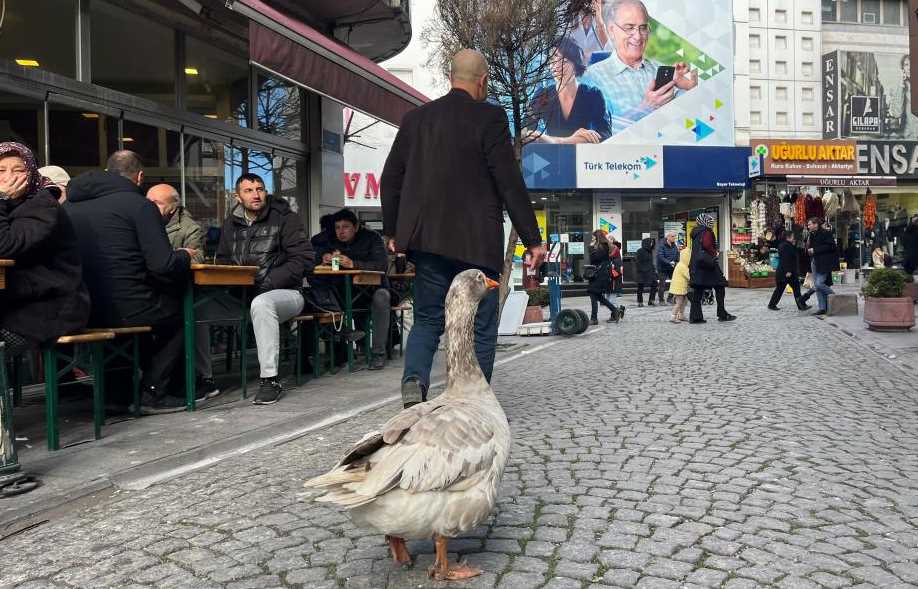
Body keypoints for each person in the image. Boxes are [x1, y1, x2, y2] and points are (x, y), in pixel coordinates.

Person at [380, 48, 545, 408]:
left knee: (427, 319)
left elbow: (390, 178)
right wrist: (532, 239)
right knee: (481, 326)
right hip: (477, 244)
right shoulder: (491, 118)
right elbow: (508, 180)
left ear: (450, 76)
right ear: (483, 79)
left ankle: (414, 381)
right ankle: (474, 403)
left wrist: (392, 232)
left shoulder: (416, 119)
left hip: (428, 242)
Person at [66, 151, 193, 411]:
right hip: (127, 307)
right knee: (179, 314)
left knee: (134, 317)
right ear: (140, 176)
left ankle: (116, 394)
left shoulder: (69, 206)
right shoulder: (139, 205)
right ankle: (153, 392)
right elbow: (162, 264)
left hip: (79, 308)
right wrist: (183, 255)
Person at [215, 173, 313, 405]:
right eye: (248, 190)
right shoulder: (230, 224)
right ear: (237, 196)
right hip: (241, 294)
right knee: (199, 309)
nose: (256, 194)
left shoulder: (285, 218)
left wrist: (267, 283)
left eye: (260, 189)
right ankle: (202, 378)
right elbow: (222, 259)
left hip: (286, 294)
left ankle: (270, 380)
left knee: (262, 304)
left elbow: (303, 260)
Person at [0, 142, 90, 356]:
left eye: (18, 170)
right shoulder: (8, 206)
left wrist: (1, 199)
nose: (8, 177)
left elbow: (5, 245)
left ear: (31, 173)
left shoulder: (42, 205)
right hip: (18, 303)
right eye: (1, 170)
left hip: (49, 309)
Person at [582, 0, 698, 122]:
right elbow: (597, 134)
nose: (638, 36)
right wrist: (645, 108)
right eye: (629, 28)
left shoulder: (661, 69)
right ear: (611, 30)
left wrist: (690, 86)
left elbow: (690, 117)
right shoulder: (591, 78)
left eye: (643, 28)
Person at [314, 208, 391, 370]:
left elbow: (382, 265)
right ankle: (339, 349)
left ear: (356, 227)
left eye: (345, 227)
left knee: (382, 297)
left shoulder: (372, 238)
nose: (341, 232)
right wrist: (324, 258)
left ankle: (378, 353)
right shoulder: (332, 241)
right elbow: (315, 254)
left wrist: (353, 264)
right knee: (316, 296)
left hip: (371, 290)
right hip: (343, 290)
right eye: (337, 227)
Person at [528, 39, 612, 145]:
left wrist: (553, 140)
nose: (556, 67)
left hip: (584, 157)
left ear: (576, 64)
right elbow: (524, 132)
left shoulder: (593, 95)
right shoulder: (542, 95)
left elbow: (605, 135)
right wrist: (566, 140)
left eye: (564, 61)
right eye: (552, 61)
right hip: (551, 158)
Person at [688, 213, 735, 323]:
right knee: (720, 286)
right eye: (710, 221)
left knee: (698, 290)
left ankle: (695, 317)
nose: (712, 223)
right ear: (706, 222)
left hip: (697, 265)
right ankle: (722, 313)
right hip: (708, 265)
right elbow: (707, 245)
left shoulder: (695, 233)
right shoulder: (706, 231)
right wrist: (715, 253)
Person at [147, 184, 204, 263]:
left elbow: (197, 259)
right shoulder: (139, 221)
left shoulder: (190, 229)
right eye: (147, 202)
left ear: (172, 208)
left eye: (158, 203)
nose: (150, 206)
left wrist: (180, 256)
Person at [767, 231, 811, 311]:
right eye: (793, 236)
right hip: (787, 272)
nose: (794, 238)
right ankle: (801, 305)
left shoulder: (786, 245)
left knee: (785, 288)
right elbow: (786, 259)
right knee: (792, 288)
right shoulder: (786, 246)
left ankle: (772, 304)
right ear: (788, 237)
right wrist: (788, 271)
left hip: (784, 272)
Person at [802, 217, 836, 316]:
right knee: (817, 286)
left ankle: (835, 297)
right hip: (814, 261)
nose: (808, 226)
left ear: (816, 224)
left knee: (818, 284)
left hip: (824, 263)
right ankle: (822, 308)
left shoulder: (826, 233)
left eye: (809, 224)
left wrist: (815, 250)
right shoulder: (811, 235)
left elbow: (831, 246)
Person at [586, 230, 621, 325]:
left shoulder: (602, 247)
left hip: (600, 275)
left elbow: (594, 260)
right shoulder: (603, 246)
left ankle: (594, 318)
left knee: (593, 294)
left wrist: (591, 247)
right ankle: (614, 310)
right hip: (600, 274)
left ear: (597, 237)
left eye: (593, 237)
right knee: (597, 296)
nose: (592, 238)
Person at [634, 237, 658, 307]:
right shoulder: (640, 251)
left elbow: (650, 262)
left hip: (650, 272)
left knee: (654, 284)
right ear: (646, 243)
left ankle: (651, 300)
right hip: (642, 272)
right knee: (640, 287)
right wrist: (643, 269)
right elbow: (637, 262)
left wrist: (653, 269)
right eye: (650, 242)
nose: (651, 244)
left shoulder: (650, 251)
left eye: (652, 243)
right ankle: (640, 302)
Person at [669, 247, 691, 323]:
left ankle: (681, 315)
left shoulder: (680, 264)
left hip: (680, 287)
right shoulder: (683, 266)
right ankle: (673, 316)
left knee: (684, 301)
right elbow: (688, 277)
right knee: (679, 303)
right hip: (679, 288)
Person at [656, 230, 679, 303]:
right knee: (662, 284)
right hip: (662, 267)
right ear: (668, 237)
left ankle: (670, 298)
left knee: (675, 283)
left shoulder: (674, 244)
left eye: (675, 236)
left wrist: (677, 261)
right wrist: (669, 262)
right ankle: (661, 300)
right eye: (673, 236)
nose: (674, 238)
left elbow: (676, 253)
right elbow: (660, 256)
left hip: (671, 267)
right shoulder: (661, 244)